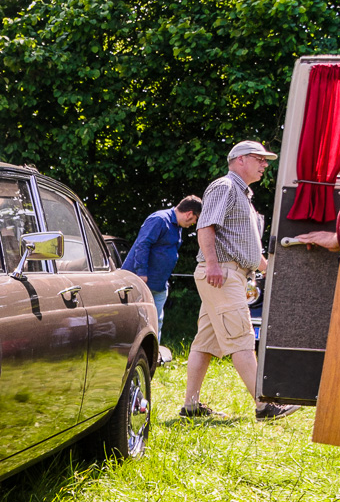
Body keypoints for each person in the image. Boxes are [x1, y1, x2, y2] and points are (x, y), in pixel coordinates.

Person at [179, 140, 300, 421]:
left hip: (227, 273)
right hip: (220, 274)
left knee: (204, 343)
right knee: (242, 338)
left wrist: (267, 268)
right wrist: (212, 265)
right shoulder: (225, 186)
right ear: (240, 160)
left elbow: (241, 244)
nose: (265, 165)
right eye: (259, 159)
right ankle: (264, 406)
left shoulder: (243, 194)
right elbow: (205, 226)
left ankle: (191, 407)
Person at [121, 195, 202, 341]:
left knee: (155, 322)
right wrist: (141, 273)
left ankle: (153, 359)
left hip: (159, 285)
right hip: (141, 282)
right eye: (195, 219)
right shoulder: (159, 219)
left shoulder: (176, 226)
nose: (194, 223)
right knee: (134, 323)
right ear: (189, 213)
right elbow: (142, 244)